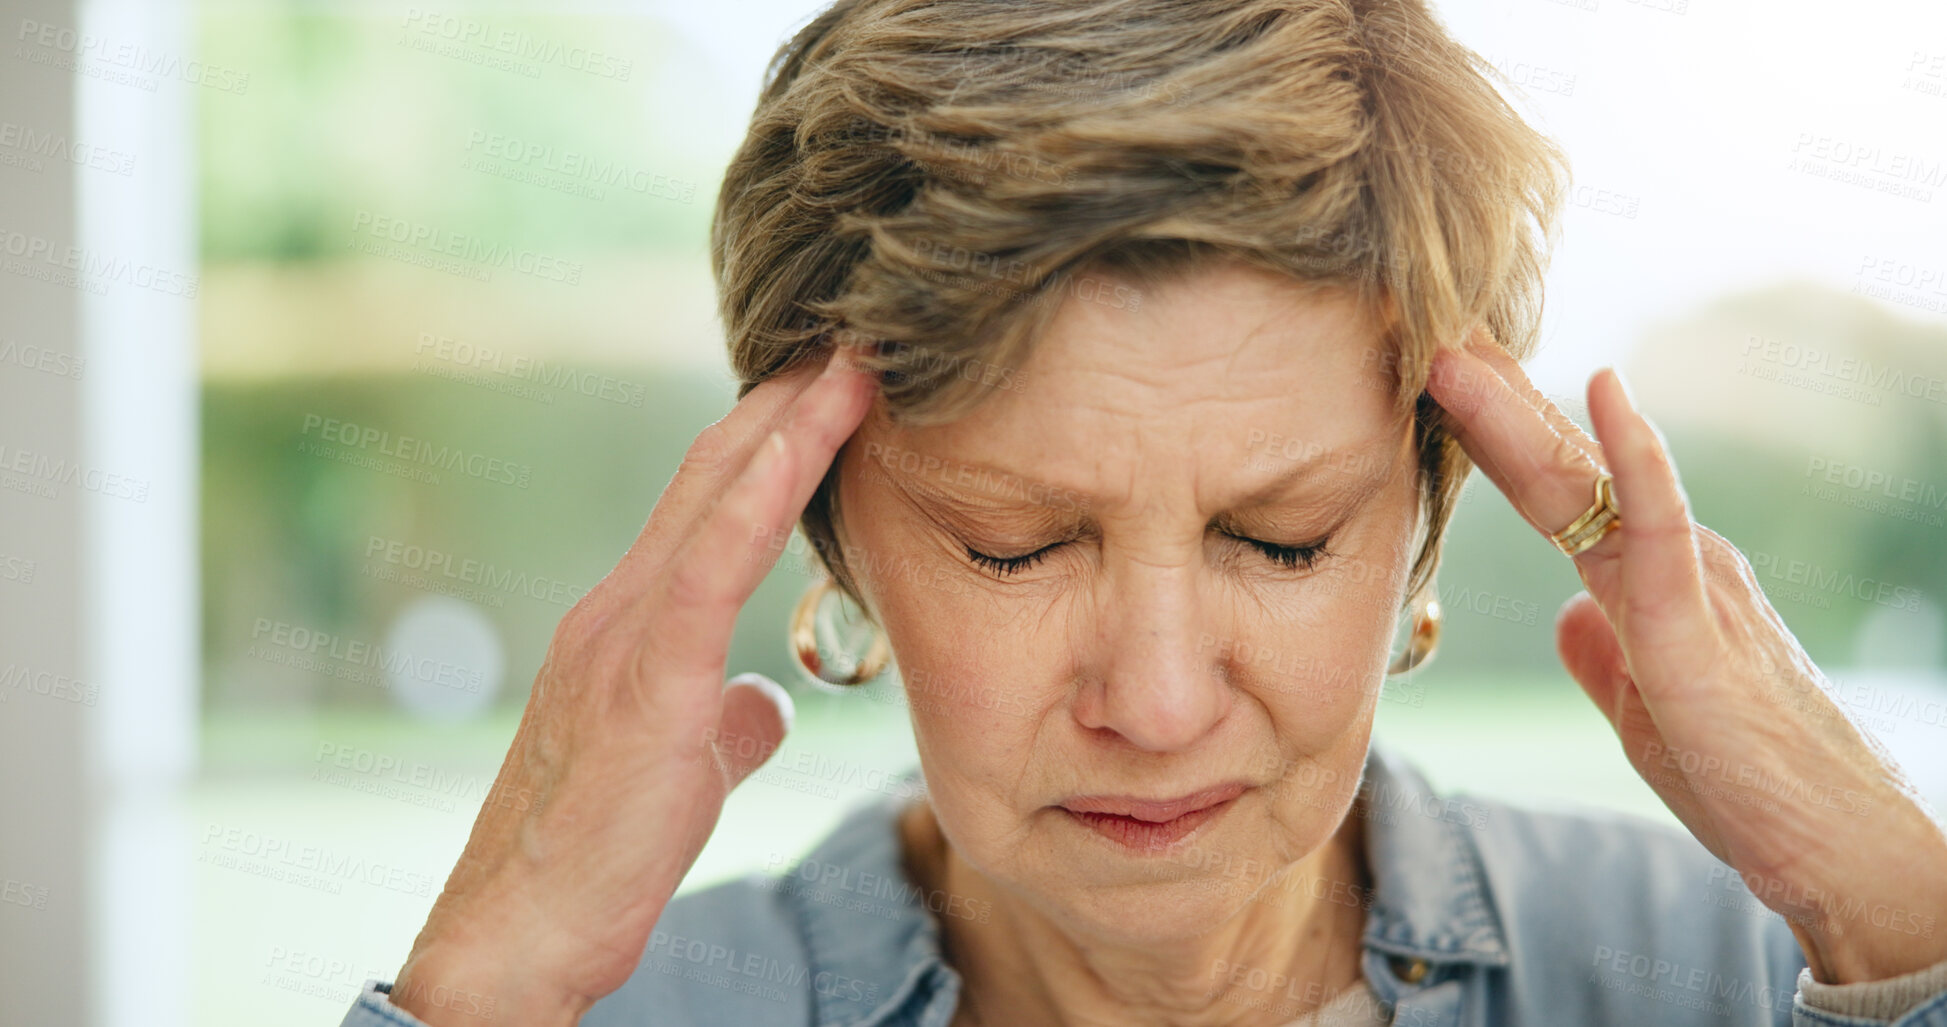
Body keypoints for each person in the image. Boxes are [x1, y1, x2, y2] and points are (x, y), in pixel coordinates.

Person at [339, 1, 1947, 1024]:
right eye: (1018, 547)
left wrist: (1898, 910)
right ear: (832, 538)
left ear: (1426, 525)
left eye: (1284, 538)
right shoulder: (606, 1017)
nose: (1162, 703)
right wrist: (484, 990)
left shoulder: (1733, 976)